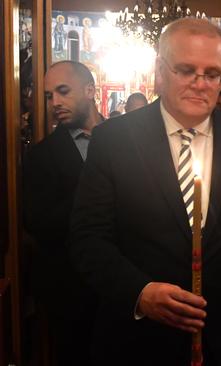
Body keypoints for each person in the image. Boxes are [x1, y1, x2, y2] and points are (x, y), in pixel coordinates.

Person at [69, 18, 221, 366]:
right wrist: (139, 294)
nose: (200, 85)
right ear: (159, 71)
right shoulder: (114, 140)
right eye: (186, 70)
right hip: (139, 340)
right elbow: (88, 238)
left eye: (212, 74)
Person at [23, 60, 102, 365]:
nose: (55, 102)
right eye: (48, 95)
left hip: (124, 290)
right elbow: (37, 222)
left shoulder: (123, 139)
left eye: (63, 91)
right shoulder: (41, 156)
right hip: (70, 293)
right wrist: (94, 187)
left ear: (90, 90)